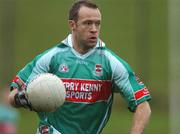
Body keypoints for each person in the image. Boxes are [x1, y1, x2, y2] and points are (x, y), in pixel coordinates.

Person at [8, 0, 151, 134]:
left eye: (97, 24)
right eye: (88, 23)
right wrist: (22, 98)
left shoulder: (112, 63)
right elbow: (12, 95)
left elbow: (143, 106)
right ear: (72, 25)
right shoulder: (51, 58)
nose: (94, 29)